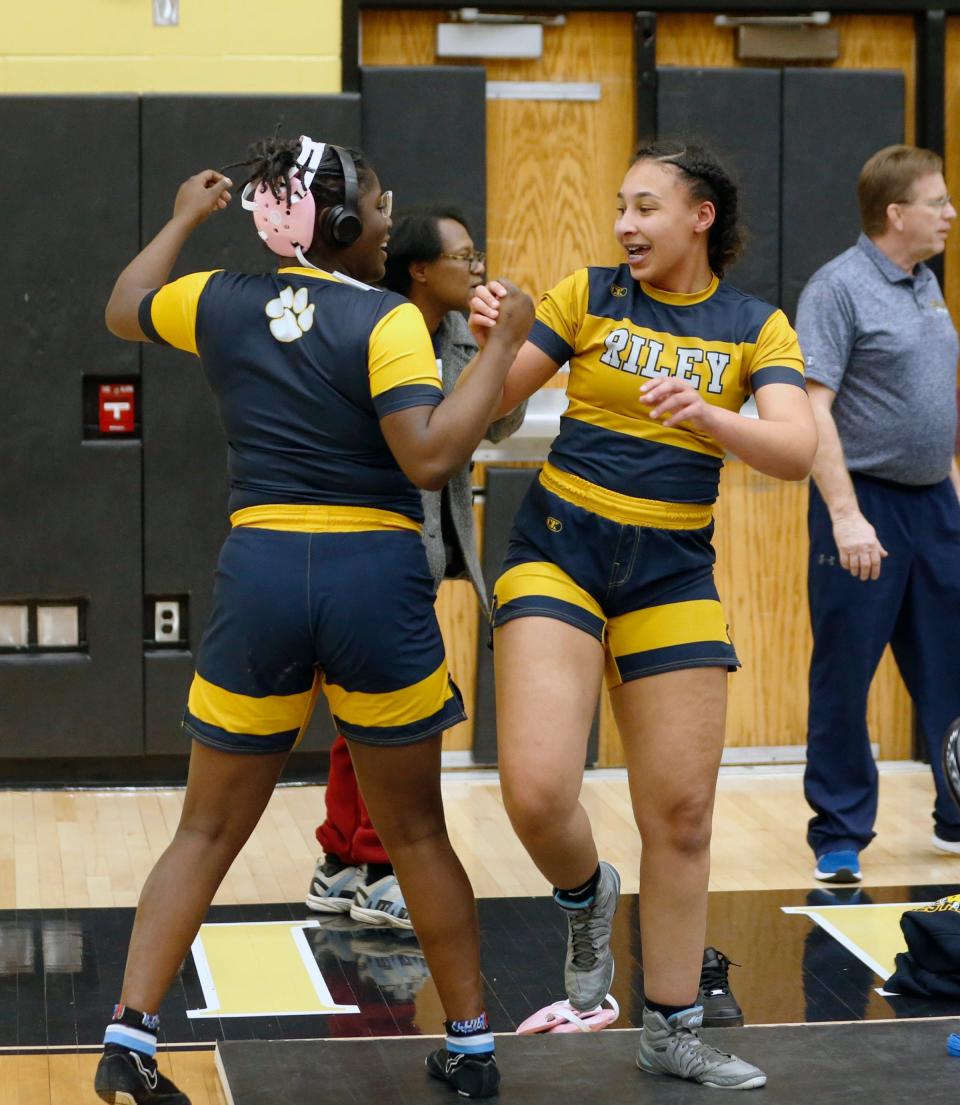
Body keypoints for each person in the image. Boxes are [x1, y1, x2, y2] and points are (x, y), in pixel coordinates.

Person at [93, 134, 532, 1104]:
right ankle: (469, 1047)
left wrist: (179, 219)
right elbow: (428, 458)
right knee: (415, 831)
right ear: (338, 224)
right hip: (371, 573)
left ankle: (128, 1036)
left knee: (203, 831)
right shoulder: (388, 323)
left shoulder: (217, 299)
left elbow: (123, 308)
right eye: (378, 208)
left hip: (260, 573)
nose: (389, 222)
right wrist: (502, 346)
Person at [471, 140, 817, 1089]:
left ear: (701, 216)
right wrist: (498, 338)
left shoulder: (757, 326)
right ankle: (585, 895)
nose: (626, 223)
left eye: (647, 206)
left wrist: (712, 417)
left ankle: (672, 1025)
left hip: (670, 570)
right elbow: (493, 414)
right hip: (560, 549)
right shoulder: (586, 296)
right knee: (539, 788)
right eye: (621, 206)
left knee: (683, 814)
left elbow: (794, 448)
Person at [306, 205, 525, 930]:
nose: (478, 266)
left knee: (364, 715)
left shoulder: (464, 334)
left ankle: (342, 859)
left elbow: (494, 425)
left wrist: (495, 352)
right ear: (422, 269)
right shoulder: (373, 327)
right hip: (374, 546)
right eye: (464, 256)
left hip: (428, 546)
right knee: (392, 720)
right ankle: (376, 864)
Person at [795, 144, 960, 885]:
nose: (950, 213)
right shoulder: (838, 288)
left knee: (953, 670)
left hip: (934, 505)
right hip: (863, 502)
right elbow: (813, 411)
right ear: (897, 213)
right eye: (938, 202)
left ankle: (956, 813)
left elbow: (932, 402)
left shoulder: (926, 284)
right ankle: (839, 831)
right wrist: (845, 514)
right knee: (845, 673)